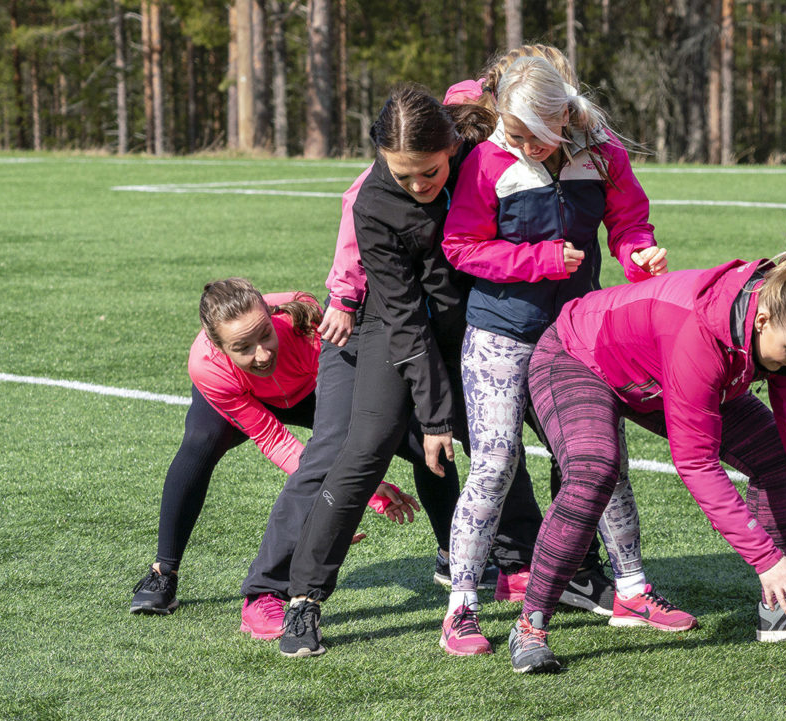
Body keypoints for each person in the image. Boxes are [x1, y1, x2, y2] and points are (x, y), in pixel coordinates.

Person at [508, 235, 786, 673]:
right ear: (762, 320)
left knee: (773, 456)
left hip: (654, 378)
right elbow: (695, 462)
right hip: (575, 356)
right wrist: (765, 559)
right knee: (595, 470)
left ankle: (781, 608)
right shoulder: (699, 331)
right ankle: (530, 625)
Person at [277, 86, 545, 659]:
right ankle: (304, 599)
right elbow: (403, 319)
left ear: (452, 146)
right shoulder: (373, 203)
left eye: (429, 172)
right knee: (366, 446)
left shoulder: (479, 158)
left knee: (500, 441)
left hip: (476, 322)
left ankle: (551, 567)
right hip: (394, 329)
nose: (420, 186)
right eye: (404, 175)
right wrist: (433, 415)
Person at [439, 55, 679, 657]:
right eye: (514, 133)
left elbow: (629, 223)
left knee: (605, 461)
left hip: (576, 338)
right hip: (500, 334)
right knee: (494, 465)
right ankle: (461, 609)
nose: (525, 146)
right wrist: (538, 262)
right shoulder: (488, 160)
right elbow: (461, 247)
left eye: (537, 136)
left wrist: (639, 254)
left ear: (565, 116)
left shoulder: (602, 155)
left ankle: (631, 589)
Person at [130, 279, 419, 623]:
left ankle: (457, 556)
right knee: (199, 443)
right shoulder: (208, 365)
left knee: (420, 437)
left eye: (265, 334)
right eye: (243, 346)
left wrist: (350, 492)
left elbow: (338, 431)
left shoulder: (305, 318)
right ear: (220, 347)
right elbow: (274, 438)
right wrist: (359, 494)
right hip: (244, 393)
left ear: (270, 315)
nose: (263, 353)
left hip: (306, 388)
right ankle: (164, 572)